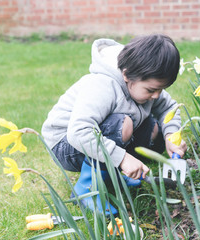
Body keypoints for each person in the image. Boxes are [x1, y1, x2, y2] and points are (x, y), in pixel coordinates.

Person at [41, 34, 187, 215]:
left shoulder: (142, 79)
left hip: (94, 135)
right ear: (126, 75)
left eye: (161, 89)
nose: (157, 95)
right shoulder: (103, 85)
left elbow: (168, 107)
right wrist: (123, 158)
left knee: (153, 127)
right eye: (151, 90)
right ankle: (87, 189)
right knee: (122, 124)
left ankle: (111, 176)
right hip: (66, 144)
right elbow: (79, 132)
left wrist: (171, 136)